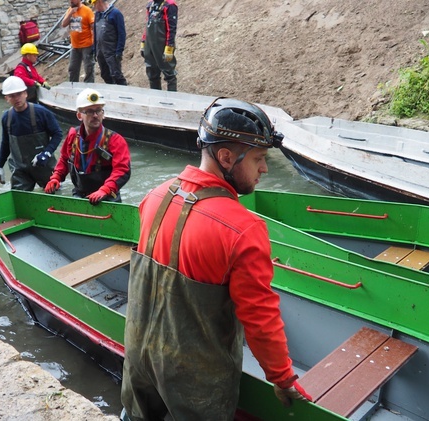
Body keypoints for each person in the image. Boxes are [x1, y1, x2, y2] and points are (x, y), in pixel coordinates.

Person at [120, 98, 312, 420]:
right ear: (226, 157)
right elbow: (259, 318)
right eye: (259, 158)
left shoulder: (153, 197)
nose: (264, 168)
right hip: (195, 384)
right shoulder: (244, 229)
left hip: (139, 363)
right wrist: (282, 378)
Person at [44, 88, 131, 204]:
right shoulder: (73, 136)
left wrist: (105, 189)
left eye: (99, 110)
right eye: (90, 111)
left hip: (107, 198)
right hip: (79, 195)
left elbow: (122, 170)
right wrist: (56, 177)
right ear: (79, 115)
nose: (95, 115)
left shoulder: (115, 140)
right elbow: (65, 159)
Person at [0, 76, 63, 191]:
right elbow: (6, 143)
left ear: (25, 93)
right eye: (12, 96)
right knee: (19, 199)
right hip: (21, 169)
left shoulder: (41, 113)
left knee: (54, 196)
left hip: (43, 165)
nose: (16, 98)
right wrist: (0, 166)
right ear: (6, 98)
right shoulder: (7, 118)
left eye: (19, 94)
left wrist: (46, 153)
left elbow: (57, 134)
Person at [141, 0, 178, 91]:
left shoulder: (169, 5)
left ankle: (172, 100)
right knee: (152, 73)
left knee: (169, 73)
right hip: (149, 44)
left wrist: (169, 47)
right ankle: (156, 99)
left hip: (162, 45)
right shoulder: (150, 5)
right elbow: (147, 24)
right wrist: (143, 42)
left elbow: (171, 29)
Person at [93, 0, 127, 85]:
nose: (94, 7)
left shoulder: (115, 14)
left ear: (99, 2)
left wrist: (119, 51)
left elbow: (121, 33)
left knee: (116, 75)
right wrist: (94, 50)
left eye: (94, 4)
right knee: (105, 75)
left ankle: (124, 93)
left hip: (112, 50)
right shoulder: (97, 15)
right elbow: (95, 33)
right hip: (100, 51)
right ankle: (112, 93)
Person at [61, 0, 95, 83]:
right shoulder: (70, 10)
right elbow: (63, 24)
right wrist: (70, 13)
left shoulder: (87, 10)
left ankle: (89, 88)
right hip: (75, 46)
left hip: (87, 45)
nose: (71, 1)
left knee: (89, 68)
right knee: (73, 69)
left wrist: (95, 43)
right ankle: (73, 87)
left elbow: (94, 27)